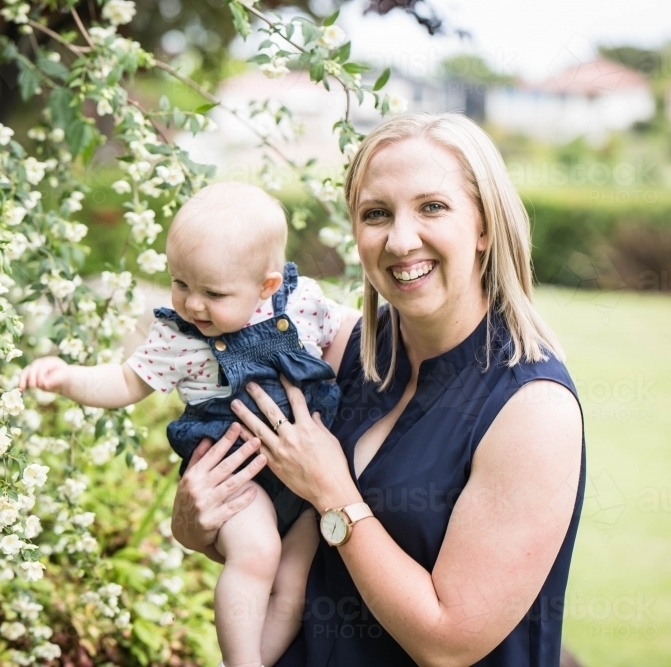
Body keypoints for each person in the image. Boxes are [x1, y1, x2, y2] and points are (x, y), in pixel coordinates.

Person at [170, 113, 586, 666]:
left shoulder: (531, 409)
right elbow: (272, 550)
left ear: (484, 226)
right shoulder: (334, 352)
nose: (400, 239)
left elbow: (448, 641)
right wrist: (194, 521)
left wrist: (333, 492)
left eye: (432, 207)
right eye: (376, 214)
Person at [18, 182, 360, 667]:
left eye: (212, 292)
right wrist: (67, 379)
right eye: (181, 284)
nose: (193, 305)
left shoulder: (299, 302)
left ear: (266, 285)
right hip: (234, 477)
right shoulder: (180, 337)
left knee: (294, 577)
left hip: (304, 478)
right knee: (258, 554)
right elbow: (124, 382)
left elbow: (347, 328)